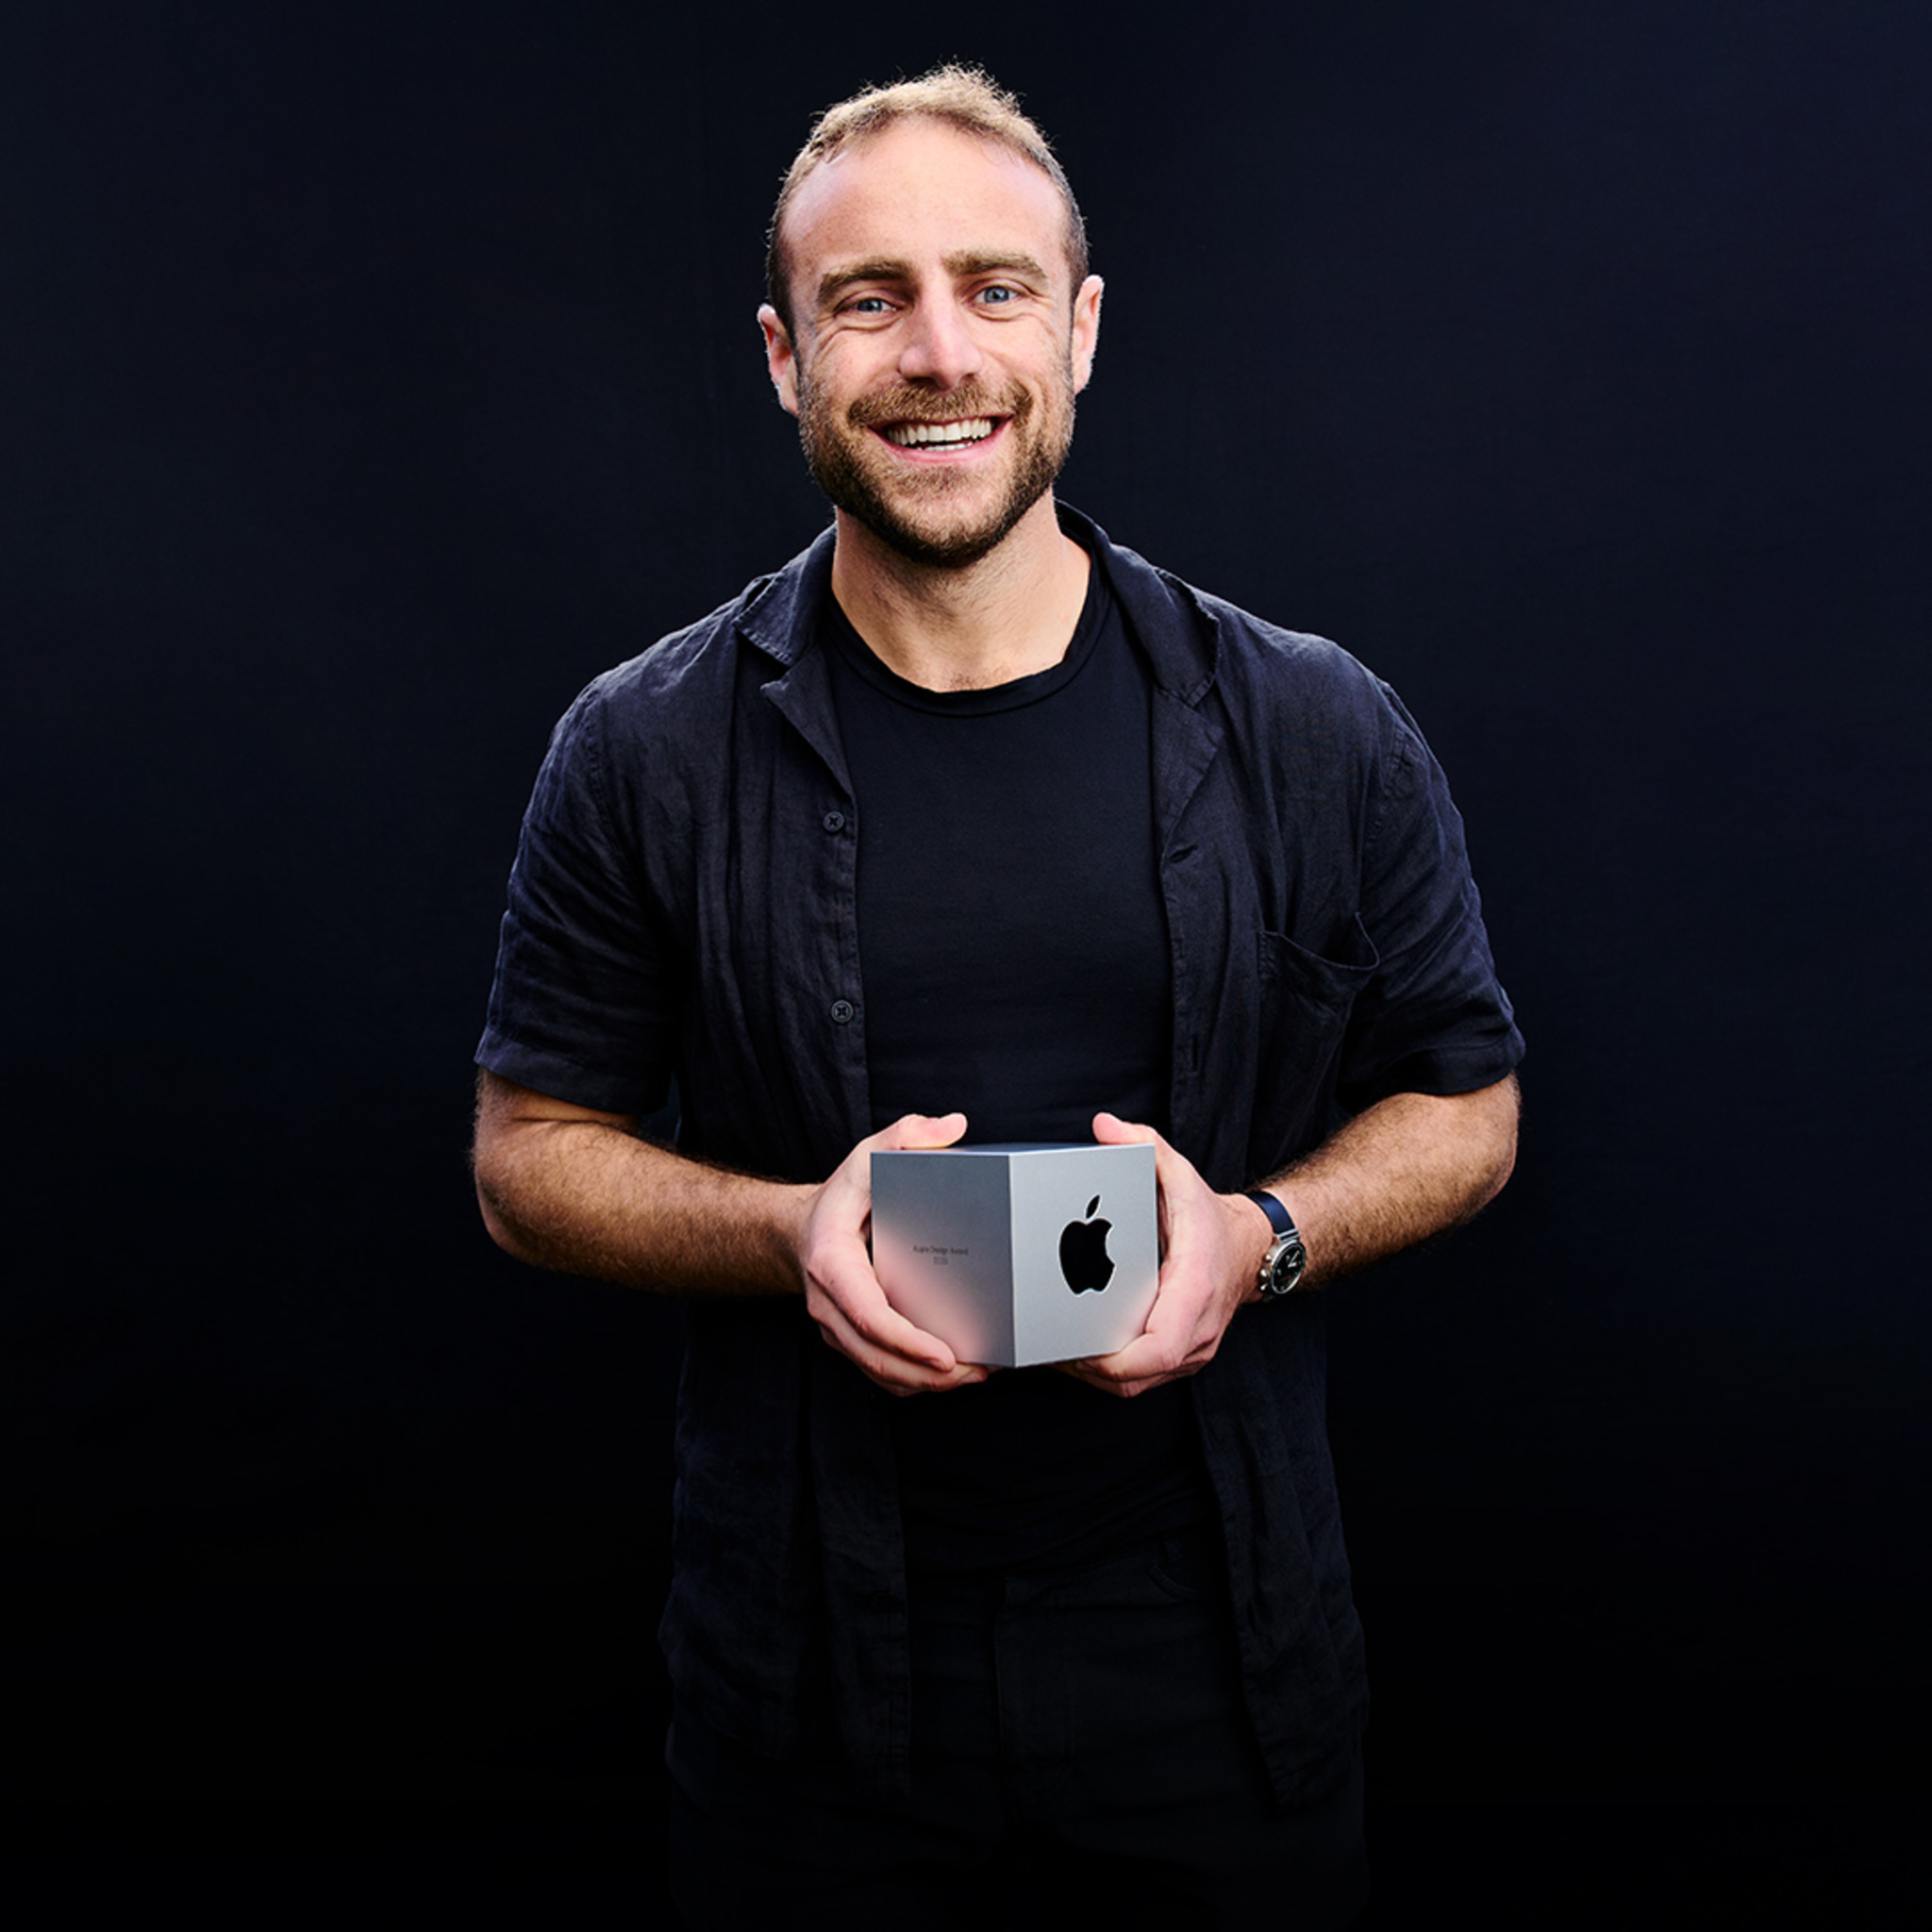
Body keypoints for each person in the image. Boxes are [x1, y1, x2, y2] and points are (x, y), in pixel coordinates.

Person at [472, 65, 1522, 1930]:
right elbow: (526, 1156)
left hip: (1216, 1663)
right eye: (869, 298)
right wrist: (797, 1227)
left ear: (1082, 329)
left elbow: (1466, 1099)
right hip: (809, 1680)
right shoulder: (643, 749)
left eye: (995, 286)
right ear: (787, 356)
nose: (938, 349)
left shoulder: (1306, 721)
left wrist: (1257, 1232)